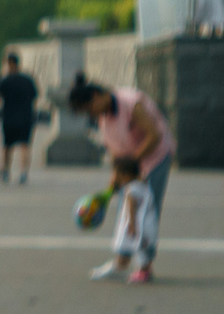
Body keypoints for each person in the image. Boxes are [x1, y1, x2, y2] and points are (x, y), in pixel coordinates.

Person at [70, 76, 172, 285]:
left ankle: (144, 267)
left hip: (154, 159)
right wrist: (112, 186)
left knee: (144, 215)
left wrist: (132, 166)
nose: (90, 114)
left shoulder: (130, 103)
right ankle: (121, 262)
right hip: (131, 165)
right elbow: (117, 155)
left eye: (89, 109)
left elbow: (154, 135)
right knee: (126, 212)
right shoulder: (104, 117)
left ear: (97, 96)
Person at [97, 154, 159, 283]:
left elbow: (132, 207)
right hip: (148, 223)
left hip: (139, 224)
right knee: (135, 247)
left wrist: (131, 224)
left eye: (117, 175)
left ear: (125, 175)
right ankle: (120, 265)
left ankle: (143, 272)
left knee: (139, 248)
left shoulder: (131, 190)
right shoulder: (143, 183)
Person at [0, 50, 40, 184]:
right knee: (25, 146)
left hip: (8, 118)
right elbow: (35, 96)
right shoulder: (27, 79)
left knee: (7, 146)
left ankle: (5, 171)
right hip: (26, 117)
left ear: (9, 63)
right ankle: (23, 173)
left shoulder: (4, 80)